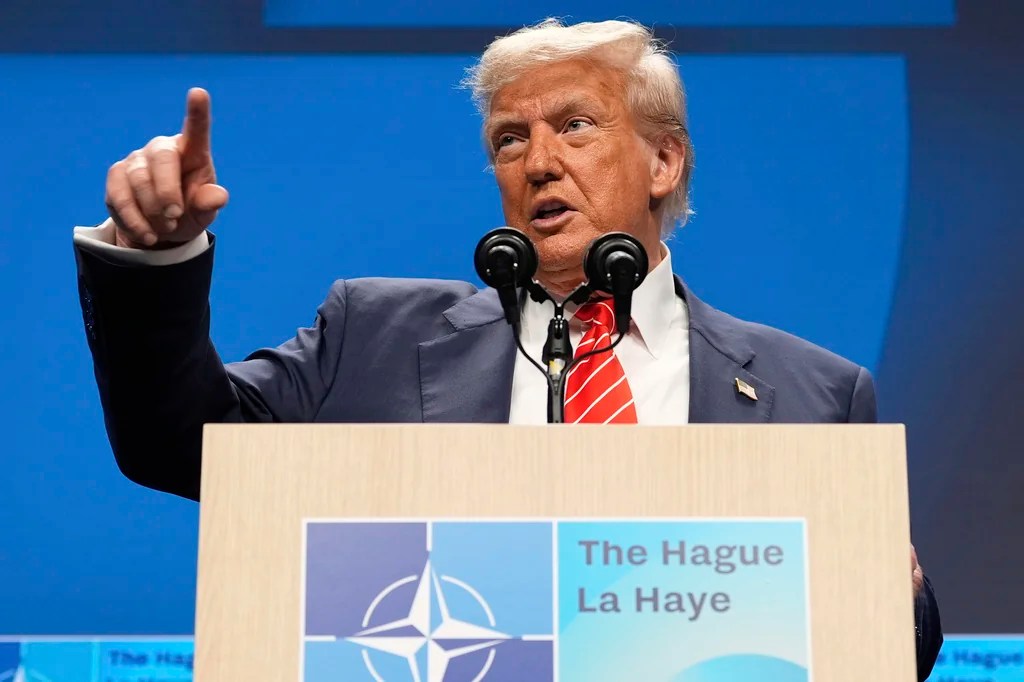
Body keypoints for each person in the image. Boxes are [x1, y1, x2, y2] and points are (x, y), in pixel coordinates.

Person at [72, 18, 941, 677]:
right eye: (509, 140)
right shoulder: (372, 333)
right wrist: (157, 260)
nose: (537, 162)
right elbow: (178, 441)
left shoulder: (816, 394)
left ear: (665, 163)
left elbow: (888, 644)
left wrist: (891, 592)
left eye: (575, 127)